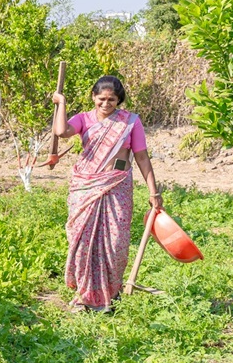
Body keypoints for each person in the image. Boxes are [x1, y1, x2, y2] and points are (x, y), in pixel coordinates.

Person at [53, 75, 161, 312]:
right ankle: (85, 296)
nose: (106, 103)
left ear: (119, 99)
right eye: (101, 98)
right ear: (93, 97)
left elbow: (141, 157)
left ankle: (110, 295)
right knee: (82, 242)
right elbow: (61, 131)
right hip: (86, 187)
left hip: (117, 186)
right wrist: (61, 102)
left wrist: (154, 192)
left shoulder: (130, 122)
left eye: (112, 99)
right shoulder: (83, 119)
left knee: (115, 243)